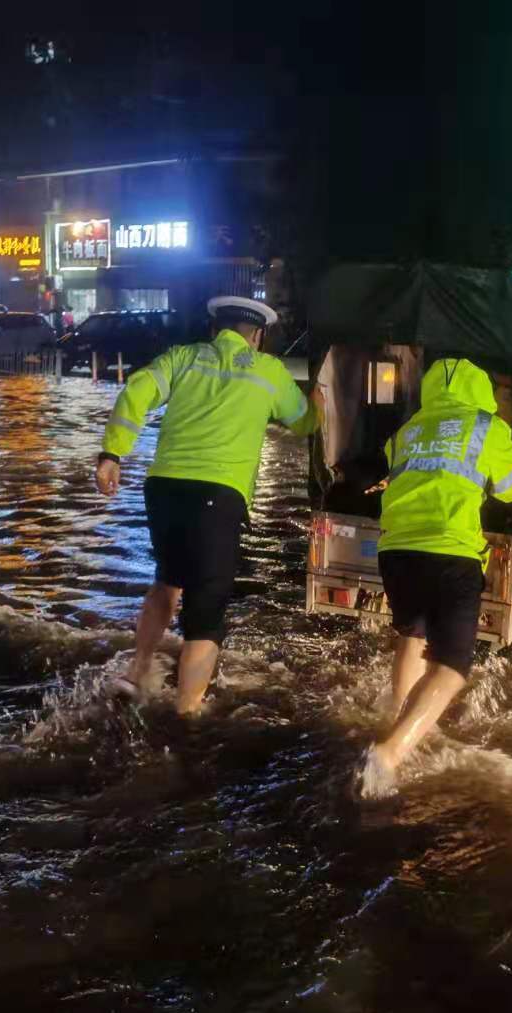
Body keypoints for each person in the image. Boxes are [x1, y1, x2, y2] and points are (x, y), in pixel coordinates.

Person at [95, 296, 321, 715]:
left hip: (163, 488)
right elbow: (305, 422)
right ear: (258, 336)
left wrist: (112, 453)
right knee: (206, 605)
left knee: (167, 580)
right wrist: (320, 401)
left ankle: (138, 671)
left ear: (216, 330)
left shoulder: (184, 358)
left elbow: (137, 389)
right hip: (218, 494)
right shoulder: (268, 371)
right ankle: (187, 714)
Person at [359, 357, 512, 796]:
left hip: (396, 552)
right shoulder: (485, 427)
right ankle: (390, 753)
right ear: (480, 391)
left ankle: (397, 717)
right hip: (451, 554)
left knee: (412, 636)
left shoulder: (407, 431)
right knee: (452, 666)